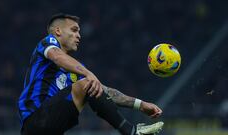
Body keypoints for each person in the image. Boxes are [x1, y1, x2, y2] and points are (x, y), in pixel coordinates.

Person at [18, 13, 164, 135]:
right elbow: (57, 56)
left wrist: (141, 104)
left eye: (79, 31)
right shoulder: (47, 43)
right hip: (35, 121)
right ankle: (130, 131)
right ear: (58, 31)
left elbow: (105, 93)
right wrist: (89, 74)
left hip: (53, 127)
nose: (79, 36)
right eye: (74, 30)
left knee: (93, 86)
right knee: (89, 83)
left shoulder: (78, 69)